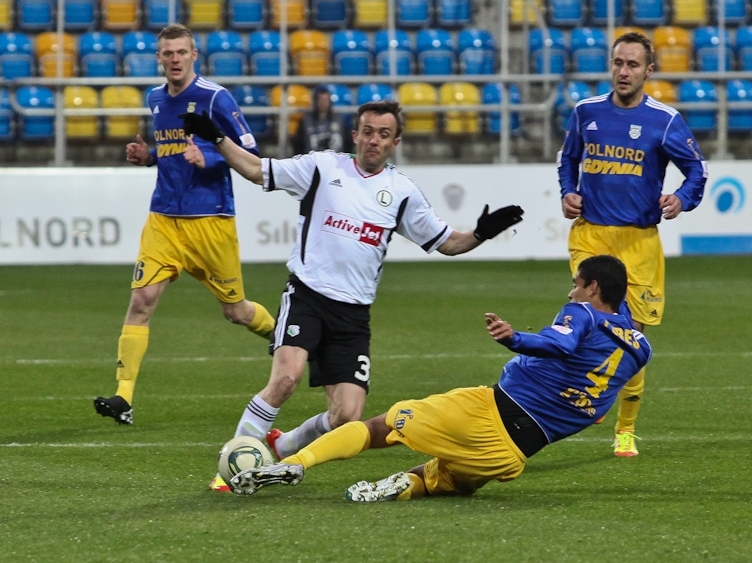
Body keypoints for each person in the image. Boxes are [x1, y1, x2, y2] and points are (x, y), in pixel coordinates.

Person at [180, 100, 525, 492]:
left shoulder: (402, 193)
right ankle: (232, 466)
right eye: (367, 131)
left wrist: (481, 233)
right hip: (307, 295)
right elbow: (257, 168)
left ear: (395, 142)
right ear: (355, 134)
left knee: (347, 415)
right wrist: (217, 137)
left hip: (353, 315)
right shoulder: (322, 167)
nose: (373, 140)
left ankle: (286, 443)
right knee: (286, 378)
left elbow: (447, 243)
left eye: (382, 134)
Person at [226, 255, 653, 501]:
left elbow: (559, 344)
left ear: (594, 288)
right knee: (442, 480)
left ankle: (293, 464)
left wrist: (514, 338)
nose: (571, 293)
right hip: (513, 457)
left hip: (491, 411)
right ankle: (403, 486)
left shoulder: (581, 313)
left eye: (577, 285)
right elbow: (598, 392)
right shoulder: (639, 347)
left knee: (382, 425)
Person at [93, 24, 276, 425]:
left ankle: (285, 337)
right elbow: (174, 150)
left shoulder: (215, 99)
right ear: (158, 58)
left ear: (194, 55)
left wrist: (208, 159)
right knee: (141, 302)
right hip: (163, 219)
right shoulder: (155, 98)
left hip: (210, 220)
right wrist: (151, 158)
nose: (174, 59)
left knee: (237, 312)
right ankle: (124, 397)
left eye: (181, 52)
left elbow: (250, 153)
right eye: (167, 53)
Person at [557, 31, 707, 457]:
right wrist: (569, 190)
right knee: (588, 315)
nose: (624, 72)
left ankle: (624, 428)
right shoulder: (586, 112)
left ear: (649, 71)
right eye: (618, 63)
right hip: (592, 234)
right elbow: (568, 158)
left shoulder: (665, 120)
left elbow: (697, 170)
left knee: (630, 338)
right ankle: (586, 391)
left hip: (639, 242)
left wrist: (682, 198)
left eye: (633, 65)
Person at [291, 85, 353, 156]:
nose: (323, 103)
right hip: (312, 162)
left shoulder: (340, 119)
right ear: (315, 101)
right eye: (320, 100)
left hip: (336, 162)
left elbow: (348, 143)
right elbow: (298, 144)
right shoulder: (305, 120)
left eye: (326, 100)